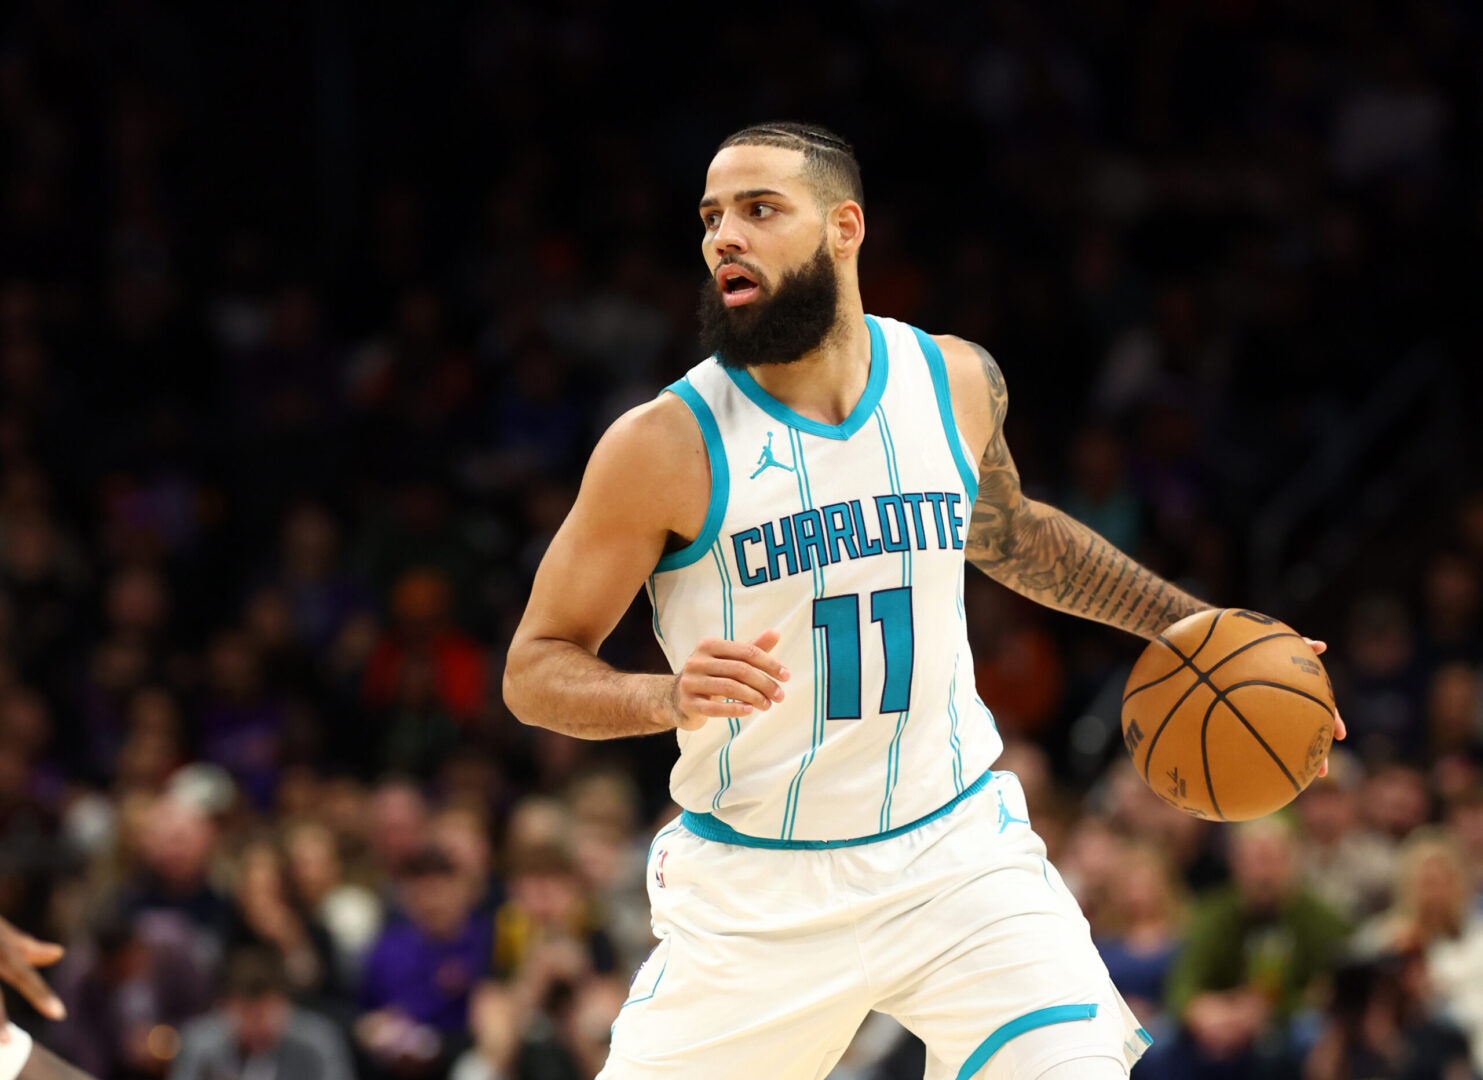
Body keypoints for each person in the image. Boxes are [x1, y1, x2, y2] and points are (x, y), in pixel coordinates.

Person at [504, 121, 1344, 1080]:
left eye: (758, 209)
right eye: (710, 217)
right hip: (759, 889)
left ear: (844, 227)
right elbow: (533, 669)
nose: (722, 237)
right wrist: (663, 697)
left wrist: (1188, 625)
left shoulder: (952, 380)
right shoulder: (663, 445)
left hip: (955, 854)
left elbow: (1012, 534)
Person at [170, 947, 354, 1080]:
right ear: (225, 1010)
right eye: (245, 1015)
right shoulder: (199, 1043)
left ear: (286, 1006)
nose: (256, 1027)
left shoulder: (319, 1041)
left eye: (264, 1015)